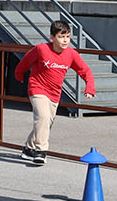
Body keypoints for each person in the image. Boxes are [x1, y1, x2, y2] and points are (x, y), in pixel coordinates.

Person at [12, 18, 96, 165]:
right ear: (52, 37)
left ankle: (28, 149)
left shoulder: (71, 54)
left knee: (45, 123)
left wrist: (89, 87)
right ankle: (41, 151)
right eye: (61, 36)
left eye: (67, 36)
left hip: (54, 93)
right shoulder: (41, 49)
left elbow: (85, 71)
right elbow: (25, 62)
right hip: (37, 88)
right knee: (43, 117)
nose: (65, 40)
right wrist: (19, 74)